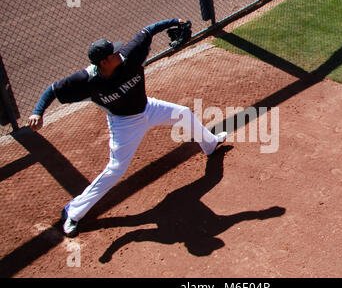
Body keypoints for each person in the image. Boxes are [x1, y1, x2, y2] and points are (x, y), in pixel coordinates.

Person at [28, 18, 227, 237]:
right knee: (115, 170)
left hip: (148, 107)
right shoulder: (85, 81)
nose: (118, 54)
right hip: (123, 124)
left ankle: (210, 143)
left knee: (183, 114)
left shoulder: (129, 55)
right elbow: (53, 90)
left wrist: (176, 21)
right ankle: (73, 212)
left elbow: (149, 30)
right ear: (103, 63)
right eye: (112, 54)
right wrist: (38, 112)